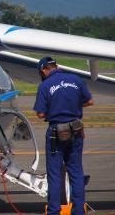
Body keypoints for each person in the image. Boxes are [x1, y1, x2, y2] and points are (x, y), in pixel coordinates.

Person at [33, 56, 94, 215]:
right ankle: (79, 211)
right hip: (76, 129)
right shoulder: (76, 80)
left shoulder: (45, 85)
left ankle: (54, 211)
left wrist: (55, 108)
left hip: (56, 133)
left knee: (54, 174)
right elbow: (89, 101)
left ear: (44, 70)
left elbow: (40, 114)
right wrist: (72, 105)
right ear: (56, 66)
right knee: (76, 171)